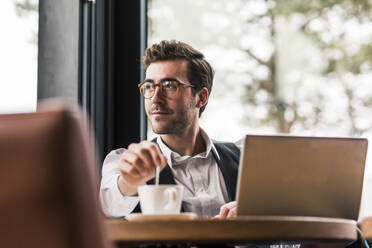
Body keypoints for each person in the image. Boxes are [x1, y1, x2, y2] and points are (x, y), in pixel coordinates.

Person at [99, 40, 241, 219]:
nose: (155, 99)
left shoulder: (244, 160)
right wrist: (129, 183)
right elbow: (109, 206)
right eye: (149, 86)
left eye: (169, 86)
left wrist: (255, 215)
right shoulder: (123, 162)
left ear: (201, 97)